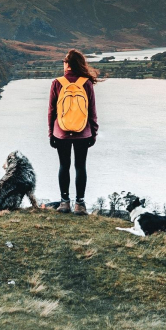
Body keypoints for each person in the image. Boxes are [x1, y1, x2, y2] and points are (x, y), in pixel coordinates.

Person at [48, 49, 99, 215]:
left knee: (64, 165)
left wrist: (51, 133)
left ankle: (64, 202)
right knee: (80, 166)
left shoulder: (57, 82)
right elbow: (92, 111)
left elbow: (51, 111)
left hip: (61, 132)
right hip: (83, 132)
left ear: (67, 64)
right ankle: (80, 204)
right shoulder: (86, 83)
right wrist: (94, 133)